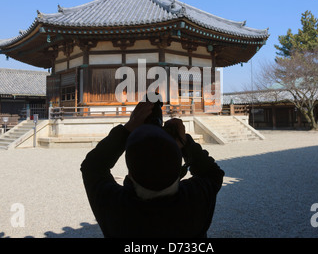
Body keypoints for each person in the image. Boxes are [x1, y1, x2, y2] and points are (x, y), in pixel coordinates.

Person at [80, 101, 224, 238]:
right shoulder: (196, 199)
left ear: (130, 173)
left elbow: (92, 167)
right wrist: (184, 142)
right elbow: (212, 173)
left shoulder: (117, 209)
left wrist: (128, 128)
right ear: (178, 169)